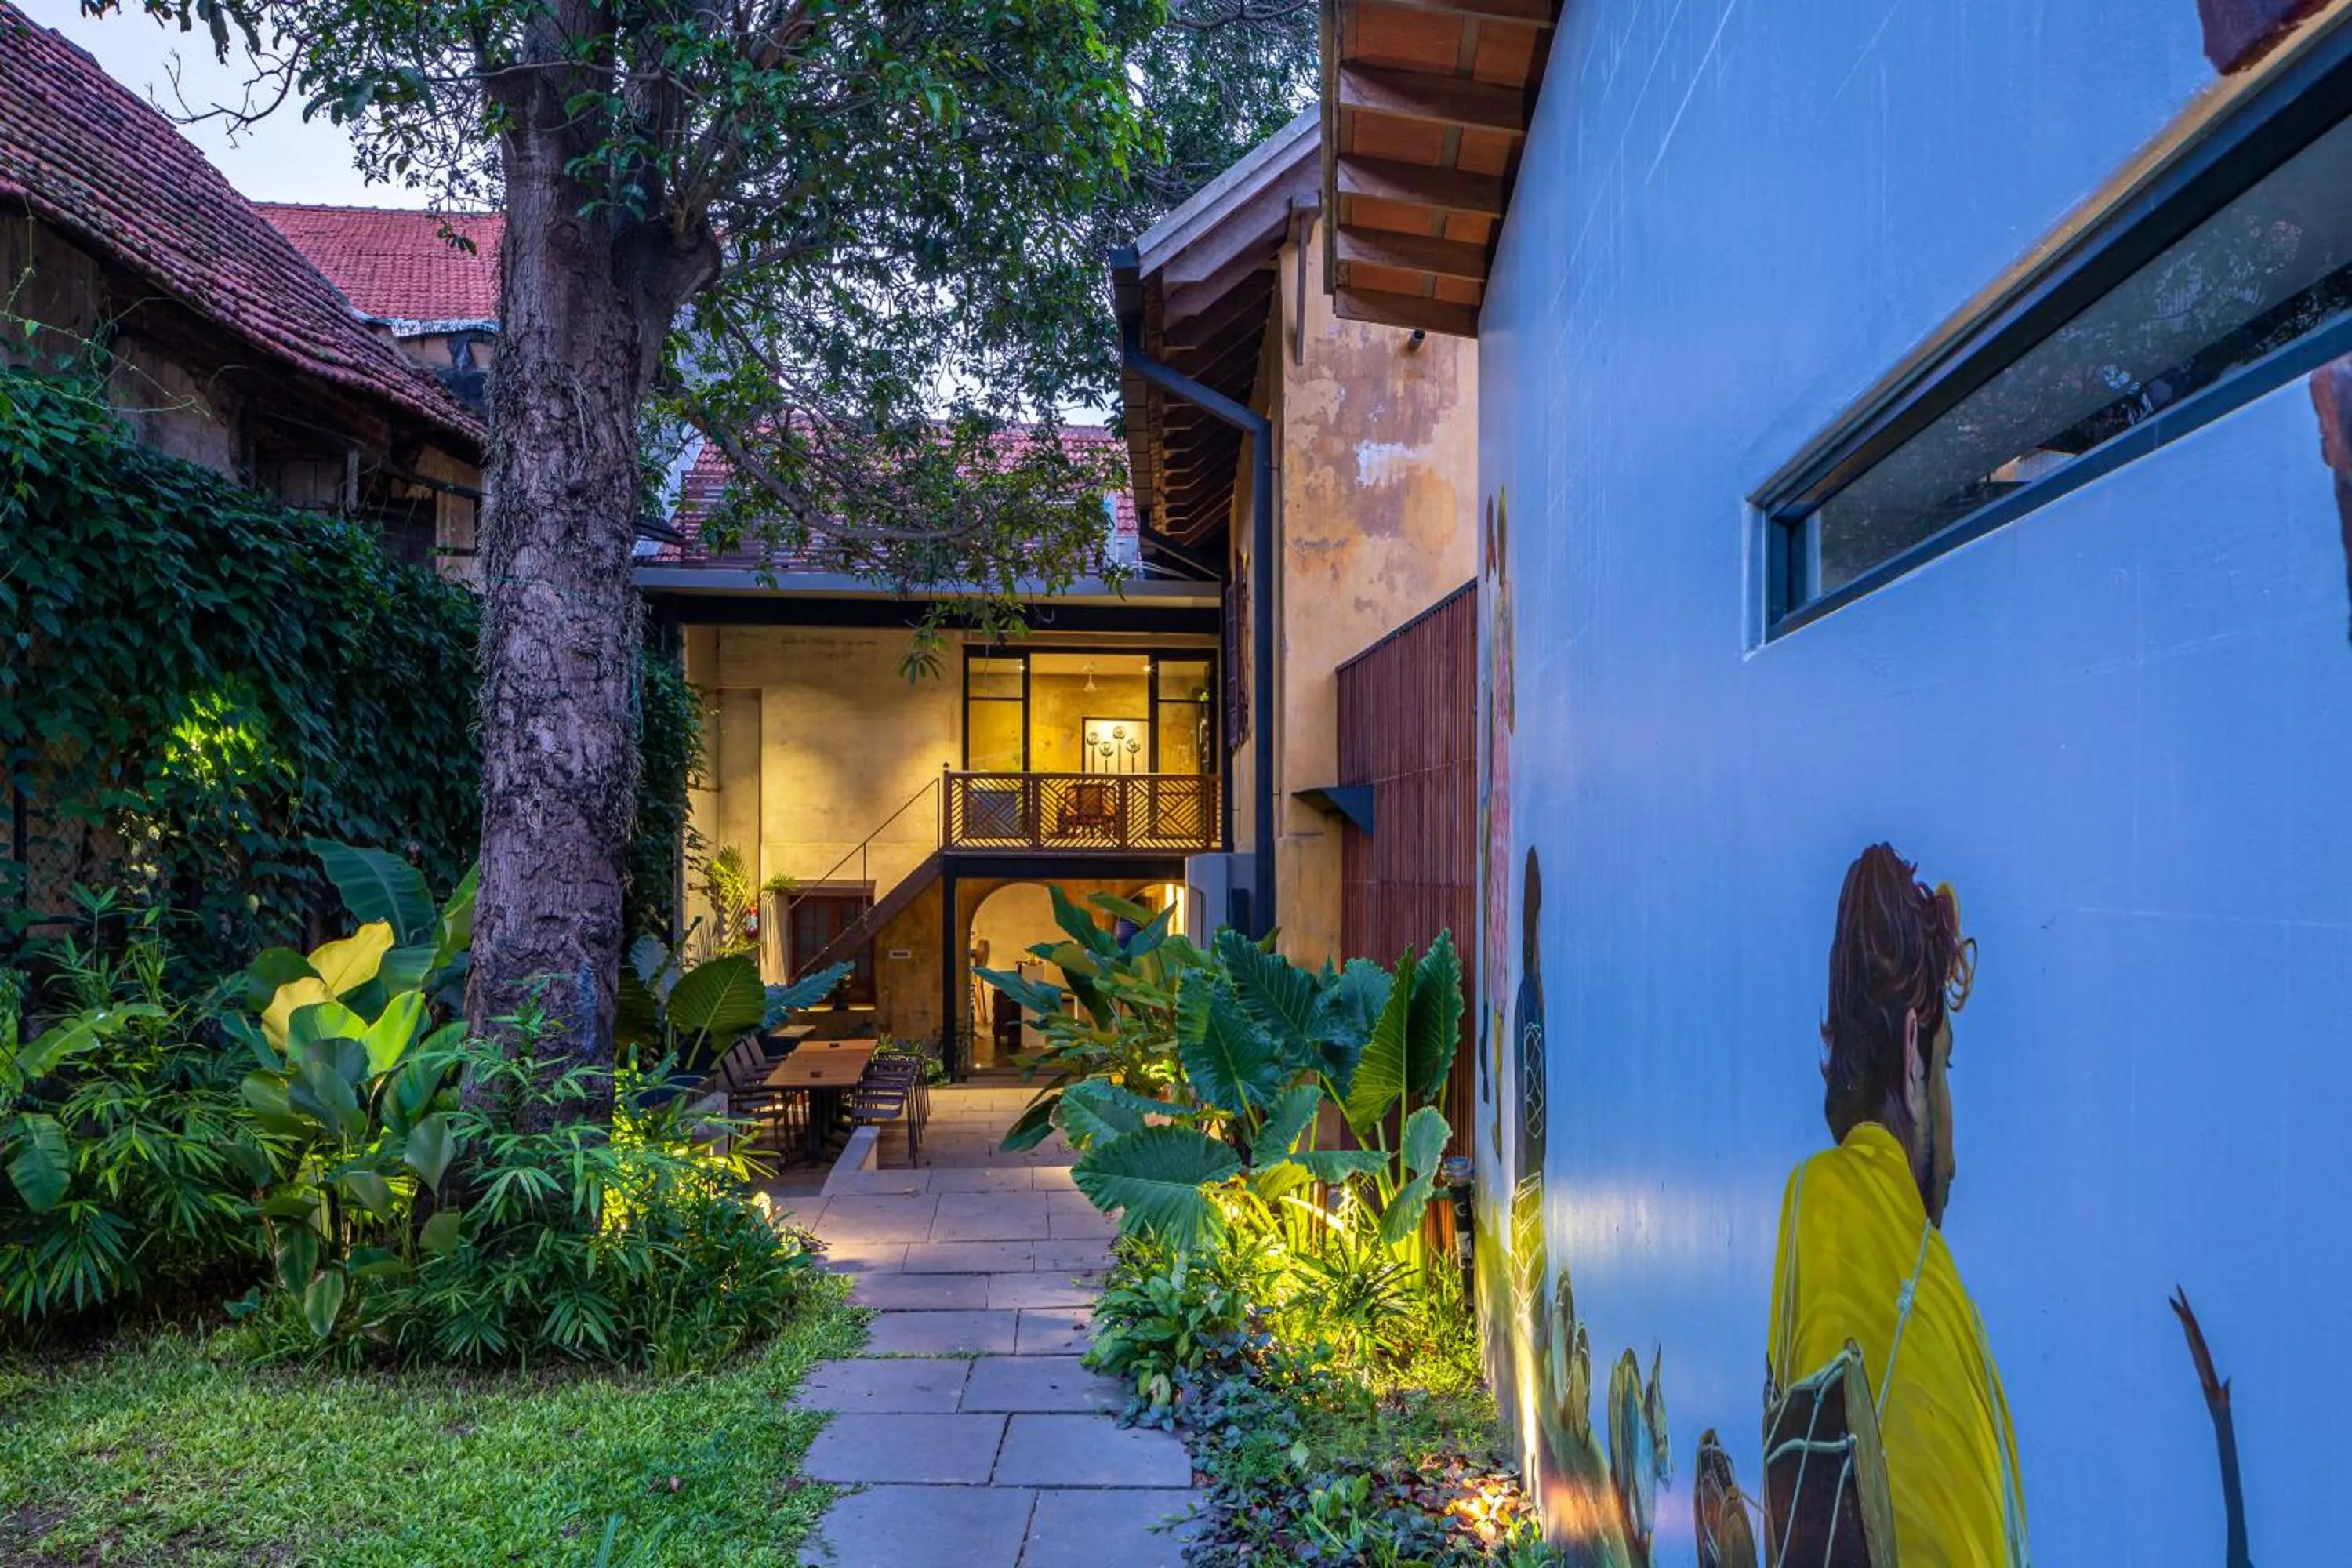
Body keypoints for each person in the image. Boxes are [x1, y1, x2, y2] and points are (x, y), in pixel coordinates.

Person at [1764, 844, 2030, 1567]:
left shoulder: (1812, 1206)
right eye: (1945, 1068)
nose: (1956, 1158)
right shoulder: (1937, 1300)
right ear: (1914, 1056)